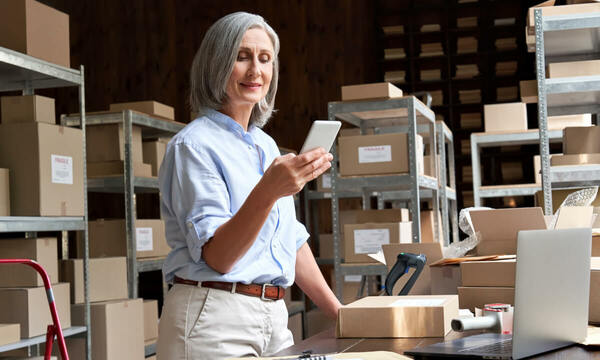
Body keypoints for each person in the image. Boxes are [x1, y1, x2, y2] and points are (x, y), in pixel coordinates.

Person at [156, 11, 343, 359]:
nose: (256, 70)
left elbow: (290, 239)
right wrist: (269, 190)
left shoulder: (266, 146)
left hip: (273, 315)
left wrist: (340, 313)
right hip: (213, 316)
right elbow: (220, 257)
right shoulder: (192, 146)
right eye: (241, 57)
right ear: (216, 63)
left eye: (265, 58)